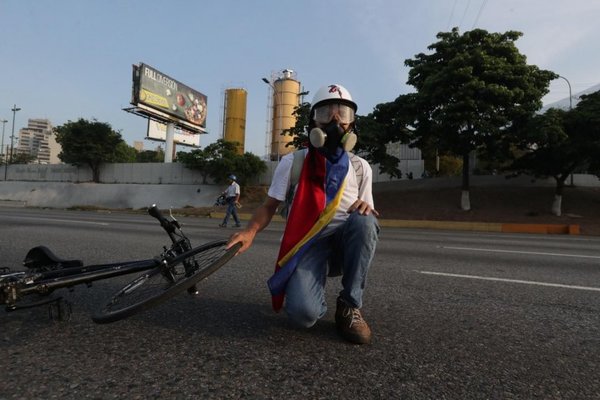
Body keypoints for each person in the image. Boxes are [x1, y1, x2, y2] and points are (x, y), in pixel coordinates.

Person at [227, 84, 379, 344]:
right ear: (313, 123)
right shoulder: (294, 162)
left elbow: (366, 214)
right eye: (326, 113)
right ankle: (310, 286)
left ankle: (349, 305)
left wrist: (366, 208)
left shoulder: (360, 167)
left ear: (352, 124)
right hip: (309, 245)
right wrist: (249, 231)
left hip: (345, 245)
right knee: (303, 315)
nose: (335, 121)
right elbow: (269, 206)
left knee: (365, 221)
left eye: (342, 114)